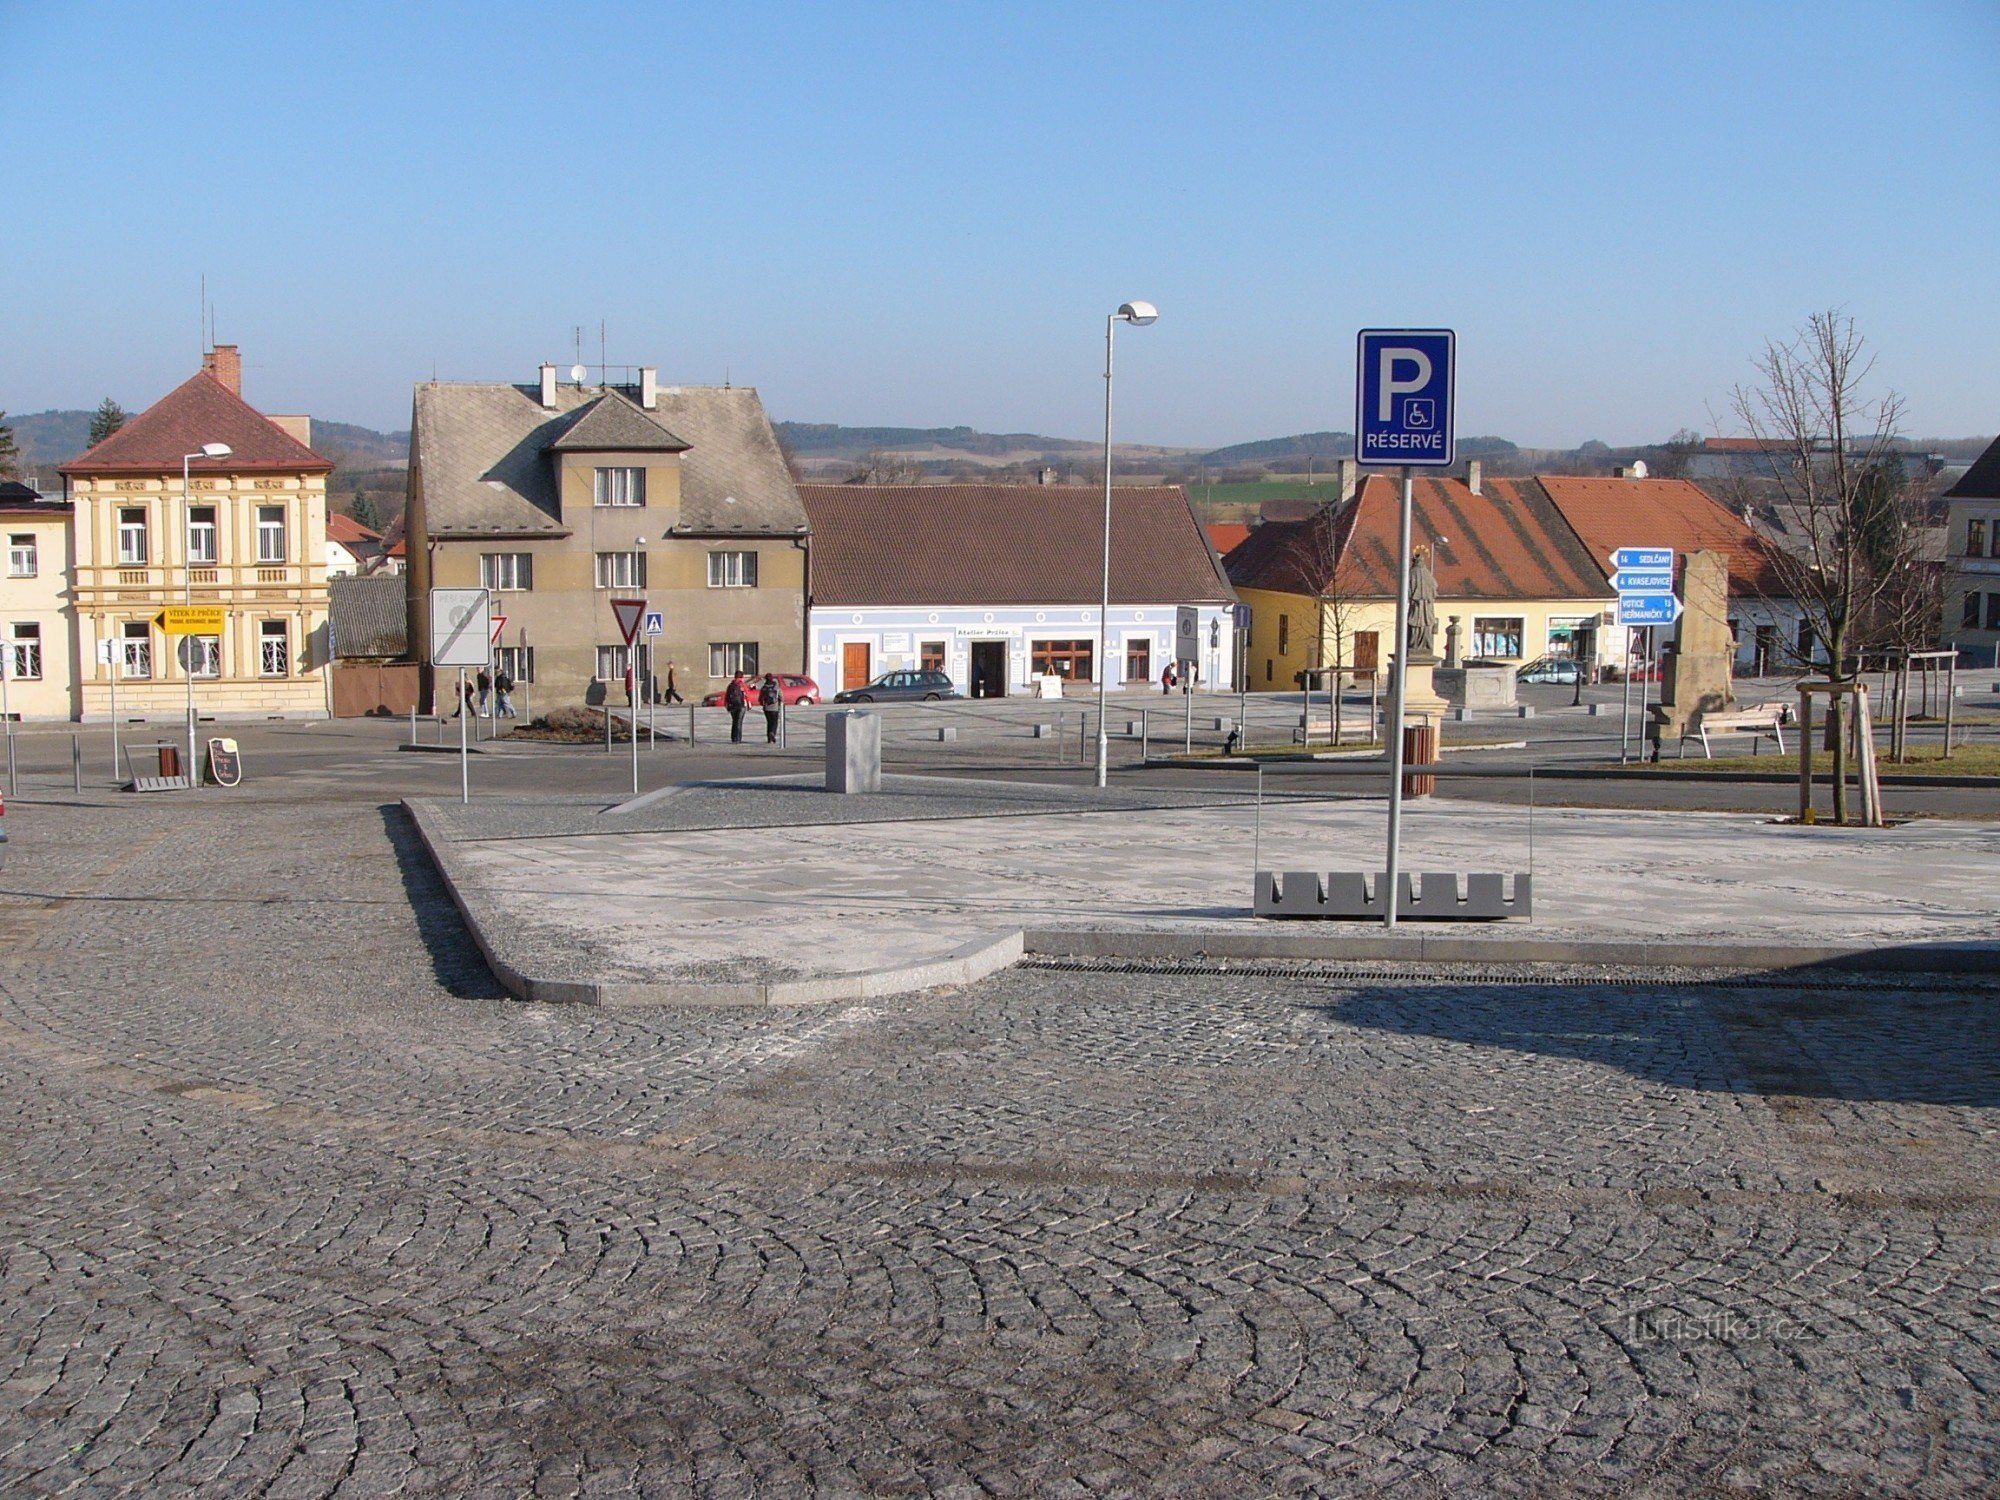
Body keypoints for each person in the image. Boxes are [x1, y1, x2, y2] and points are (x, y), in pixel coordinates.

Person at [724, 671, 749, 743]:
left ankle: (733, 738)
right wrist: (749, 705)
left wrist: (727, 705)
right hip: (741, 705)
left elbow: (727, 696)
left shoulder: (731, 685)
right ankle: (738, 738)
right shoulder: (742, 685)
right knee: (739, 722)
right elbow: (746, 695)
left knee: (734, 721)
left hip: (732, 706)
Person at [758, 673, 783, 743]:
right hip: (774, 707)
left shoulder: (764, 687)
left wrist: (763, 704)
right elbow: (781, 696)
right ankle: (772, 733)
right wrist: (781, 702)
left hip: (766, 707)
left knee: (769, 722)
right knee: (774, 722)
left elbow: (760, 698)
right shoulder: (776, 686)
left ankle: (769, 738)